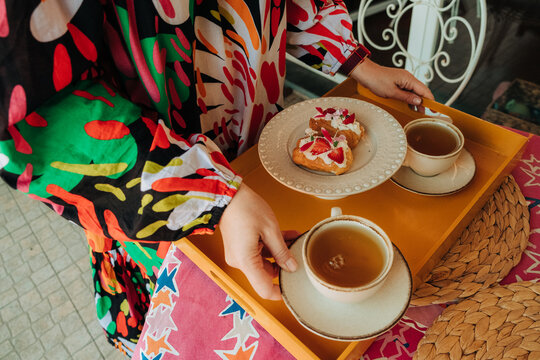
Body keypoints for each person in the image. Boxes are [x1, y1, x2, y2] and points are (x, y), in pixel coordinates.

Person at [0, 0, 433, 356]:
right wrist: (208, 194)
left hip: (261, 161)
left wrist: (355, 60)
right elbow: (42, 118)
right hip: (161, 206)